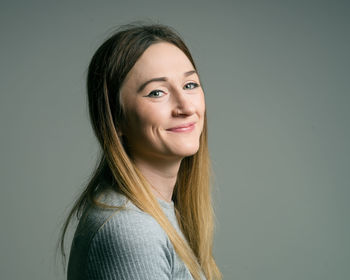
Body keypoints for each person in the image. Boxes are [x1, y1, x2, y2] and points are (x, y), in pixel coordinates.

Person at [58, 23, 222, 280]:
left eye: (190, 85)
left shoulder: (161, 212)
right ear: (116, 120)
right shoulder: (131, 230)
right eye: (157, 92)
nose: (185, 107)